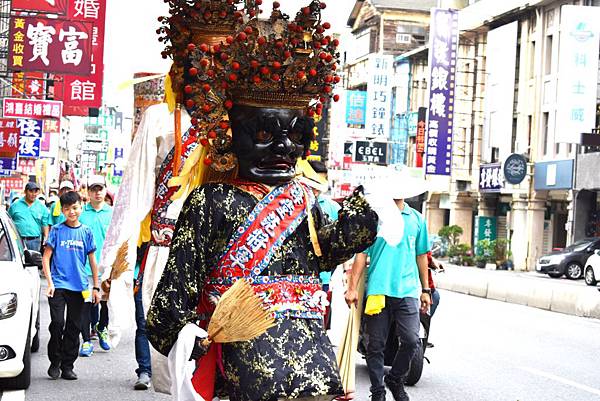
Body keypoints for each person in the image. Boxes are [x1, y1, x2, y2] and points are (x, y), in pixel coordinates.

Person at [145, 2, 378, 400]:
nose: (285, 147)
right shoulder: (210, 201)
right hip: (245, 360)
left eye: (293, 134)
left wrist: (362, 220)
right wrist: (189, 333)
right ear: (229, 134)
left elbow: (322, 254)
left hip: (311, 361)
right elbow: (173, 294)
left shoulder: (304, 197)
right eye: (266, 134)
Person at [345, 169, 432, 401]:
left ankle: (395, 378)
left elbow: (422, 254)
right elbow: (361, 256)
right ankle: (378, 392)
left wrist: (425, 289)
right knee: (376, 346)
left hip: (407, 290)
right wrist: (352, 287)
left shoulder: (416, 219)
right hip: (378, 291)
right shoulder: (375, 218)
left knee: (412, 340)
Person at [41, 191, 100, 381]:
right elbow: (46, 257)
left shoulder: (86, 232)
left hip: (80, 287)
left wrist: (96, 287)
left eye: (74, 208)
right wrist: (49, 282)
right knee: (57, 324)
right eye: (67, 209)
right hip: (58, 285)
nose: (71, 212)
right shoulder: (57, 230)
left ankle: (68, 365)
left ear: (80, 207)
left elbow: (92, 261)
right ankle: (54, 362)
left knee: (74, 327)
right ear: (62, 211)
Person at [79, 175, 114, 357]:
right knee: (86, 304)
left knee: (105, 305)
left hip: (106, 268)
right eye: (93, 189)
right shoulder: (81, 213)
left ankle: (101, 328)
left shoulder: (113, 213)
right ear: (88, 192)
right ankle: (85, 340)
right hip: (84, 268)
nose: (97, 192)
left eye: (100, 188)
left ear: (105, 190)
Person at [8, 182, 50, 252]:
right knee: (19, 261)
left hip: (35, 241)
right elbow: (9, 221)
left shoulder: (42, 207)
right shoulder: (15, 205)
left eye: (36, 191)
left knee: (33, 262)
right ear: (25, 191)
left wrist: (46, 239)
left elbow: (45, 224)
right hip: (18, 240)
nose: (33, 194)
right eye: (31, 191)